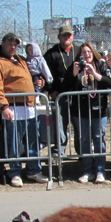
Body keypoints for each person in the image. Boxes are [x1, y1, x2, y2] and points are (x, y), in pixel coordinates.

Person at [0, 33, 49, 187]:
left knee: (33, 141)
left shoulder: (20, 60)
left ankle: (33, 169)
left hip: (29, 107)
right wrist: (3, 106)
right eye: (9, 44)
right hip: (12, 108)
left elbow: (27, 78)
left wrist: (38, 83)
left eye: (15, 44)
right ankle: (14, 172)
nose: (13, 47)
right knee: (14, 142)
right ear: (2, 44)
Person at [62, 41, 111, 184]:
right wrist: (73, 73)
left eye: (89, 51)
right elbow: (65, 86)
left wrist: (95, 74)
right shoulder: (75, 66)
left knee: (98, 139)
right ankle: (87, 171)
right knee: (84, 140)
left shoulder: (101, 65)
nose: (87, 54)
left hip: (99, 110)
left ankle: (100, 171)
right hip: (80, 110)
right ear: (80, 55)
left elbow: (110, 82)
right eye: (84, 52)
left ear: (93, 52)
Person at [43, 25, 80, 157]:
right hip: (59, 95)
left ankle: (81, 151)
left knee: (79, 124)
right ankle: (59, 150)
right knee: (60, 124)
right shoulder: (51, 53)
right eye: (64, 35)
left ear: (73, 36)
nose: (66, 37)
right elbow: (44, 74)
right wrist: (51, 90)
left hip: (77, 95)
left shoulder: (79, 51)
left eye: (69, 35)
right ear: (59, 37)